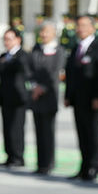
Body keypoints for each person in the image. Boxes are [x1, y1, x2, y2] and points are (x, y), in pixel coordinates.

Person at [0, 28, 33, 168]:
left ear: (18, 40)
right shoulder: (3, 55)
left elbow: (24, 70)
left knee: (17, 128)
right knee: (7, 128)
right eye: (5, 39)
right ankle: (9, 156)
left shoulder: (22, 55)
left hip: (18, 98)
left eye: (9, 39)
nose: (6, 42)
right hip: (5, 97)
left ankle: (18, 157)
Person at [64, 14, 98, 181]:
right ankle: (84, 166)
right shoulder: (76, 48)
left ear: (92, 28)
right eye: (78, 25)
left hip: (92, 100)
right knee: (81, 133)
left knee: (93, 134)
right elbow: (70, 74)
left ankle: (93, 166)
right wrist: (68, 96)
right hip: (78, 99)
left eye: (84, 25)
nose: (80, 29)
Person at [29, 22, 65, 175]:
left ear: (54, 33)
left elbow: (56, 73)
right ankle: (40, 163)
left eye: (47, 32)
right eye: (42, 32)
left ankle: (49, 162)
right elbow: (29, 70)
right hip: (36, 97)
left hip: (49, 96)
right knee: (38, 131)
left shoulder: (60, 51)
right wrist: (34, 86)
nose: (43, 35)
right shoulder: (36, 50)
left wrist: (43, 88)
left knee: (48, 131)